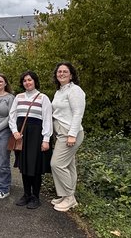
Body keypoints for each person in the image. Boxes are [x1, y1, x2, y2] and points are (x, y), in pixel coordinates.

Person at [9, 71, 53, 209]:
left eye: (30, 80)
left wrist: (46, 139)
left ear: (35, 81)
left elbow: (47, 119)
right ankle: (26, 194)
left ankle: (35, 197)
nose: (27, 83)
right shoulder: (18, 97)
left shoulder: (43, 98)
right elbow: (12, 116)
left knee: (35, 167)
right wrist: (15, 131)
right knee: (24, 166)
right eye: (25, 81)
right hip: (21, 136)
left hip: (36, 135)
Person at [50, 62, 86, 212]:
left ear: (71, 75)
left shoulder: (75, 90)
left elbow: (78, 113)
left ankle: (70, 197)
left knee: (56, 164)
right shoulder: (59, 91)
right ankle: (66, 196)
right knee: (69, 165)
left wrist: (72, 135)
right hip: (61, 132)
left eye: (65, 71)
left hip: (70, 133)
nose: (62, 74)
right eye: (59, 71)